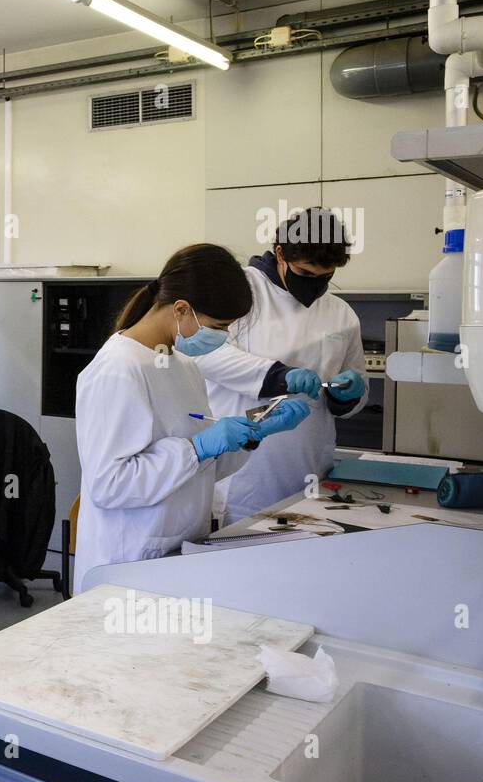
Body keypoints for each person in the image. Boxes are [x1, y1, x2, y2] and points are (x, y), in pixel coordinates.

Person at [73, 243, 311, 588]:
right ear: (181, 309)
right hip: (129, 559)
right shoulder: (118, 369)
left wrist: (254, 431)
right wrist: (196, 448)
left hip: (178, 552)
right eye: (219, 325)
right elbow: (110, 485)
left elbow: (201, 469)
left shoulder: (183, 364)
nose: (224, 336)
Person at [194, 208, 367, 525]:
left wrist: (348, 396)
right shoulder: (240, 290)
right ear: (280, 254)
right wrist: (278, 376)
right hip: (244, 474)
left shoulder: (341, 314)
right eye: (305, 274)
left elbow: (356, 382)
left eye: (325, 277)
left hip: (311, 468)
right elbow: (205, 355)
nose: (314, 285)